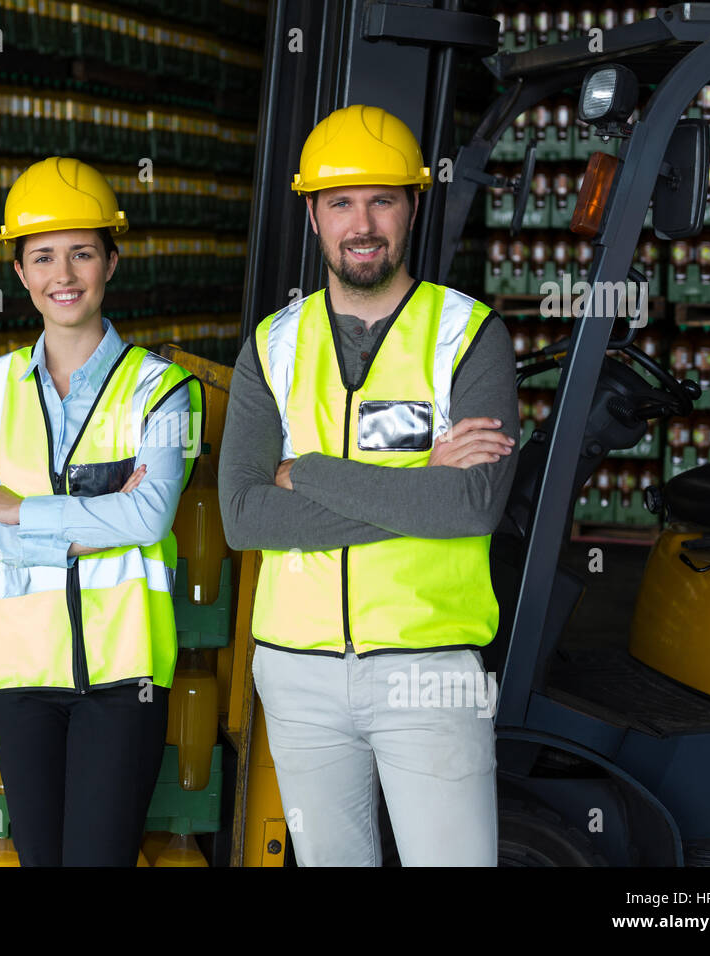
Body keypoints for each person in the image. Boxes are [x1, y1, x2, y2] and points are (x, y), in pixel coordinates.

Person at [218, 105, 520, 866]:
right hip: (297, 671)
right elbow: (246, 515)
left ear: (412, 207)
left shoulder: (469, 335)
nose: (363, 222)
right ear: (313, 214)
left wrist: (310, 473)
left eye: (382, 199)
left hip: (429, 666)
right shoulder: (273, 347)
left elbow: (472, 504)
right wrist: (416, 480)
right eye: (342, 202)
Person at [0, 156, 204, 867]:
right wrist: (75, 534)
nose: (64, 273)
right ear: (20, 273)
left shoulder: (166, 392)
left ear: (111, 261)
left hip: (122, 681)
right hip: (19, 678)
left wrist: (21, 513)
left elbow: (147, 518)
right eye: (44, 256)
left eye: (82, 253)